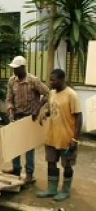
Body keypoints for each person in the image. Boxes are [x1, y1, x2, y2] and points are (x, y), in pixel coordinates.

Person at [36, 69, 82, 201]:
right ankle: (51, 188)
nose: (51, 82)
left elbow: (79, 116)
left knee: (67, 165)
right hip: (52, 137)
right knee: (51, 162)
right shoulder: (51, 93)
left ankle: (66, 190)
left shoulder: (71, 95)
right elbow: (53, 109)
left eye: (54, 80)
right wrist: (46, 113)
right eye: (50, 79)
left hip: (67, 139)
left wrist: (75, 138)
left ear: (62, 80)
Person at [3, 55, 49, 184]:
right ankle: (16, 169)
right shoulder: (12, 81)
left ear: (23, 67)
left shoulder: (34, 81)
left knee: (29, 146)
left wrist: (38, 108)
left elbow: (47, 93)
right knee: (15, 144)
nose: (14, 71)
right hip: (17, 115)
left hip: (30, 117)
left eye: (16, 68)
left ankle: (29, 173)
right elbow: (9, 99)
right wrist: (11, 112)